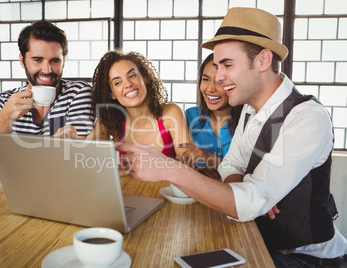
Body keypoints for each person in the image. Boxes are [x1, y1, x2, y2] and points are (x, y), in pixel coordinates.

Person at [116, 7, 347, 267]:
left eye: (227, 65)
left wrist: (169, 168)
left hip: (303, 258)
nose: (220, 77)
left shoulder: (306, 118)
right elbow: (231, 166)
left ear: (262, 60)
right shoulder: (249, 110)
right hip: (260, 239)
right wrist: (250, 193)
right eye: (216, 66)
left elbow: (247, 202)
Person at [0, 20, 94, 179]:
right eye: (37, 60)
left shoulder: (79, 93)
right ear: (22, 60)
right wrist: (5, 117)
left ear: (63, 61)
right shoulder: (4, 101)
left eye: (55, 61)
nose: (47, 70)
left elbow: (76, 163)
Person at [87, 50, 190, 159]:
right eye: (117, 82)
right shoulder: (113, 124)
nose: (128, 84)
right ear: (111, 93)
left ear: (144, 77)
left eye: (132, 75)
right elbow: (84, 155)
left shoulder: (170, 114)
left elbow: (189, 166)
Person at [176, 53, 242, 170]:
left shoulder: (248, 121)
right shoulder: (190, 116)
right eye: (205, 79)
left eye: (219, 81)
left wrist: (208, 157)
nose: (210, 89)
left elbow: (249, 174)